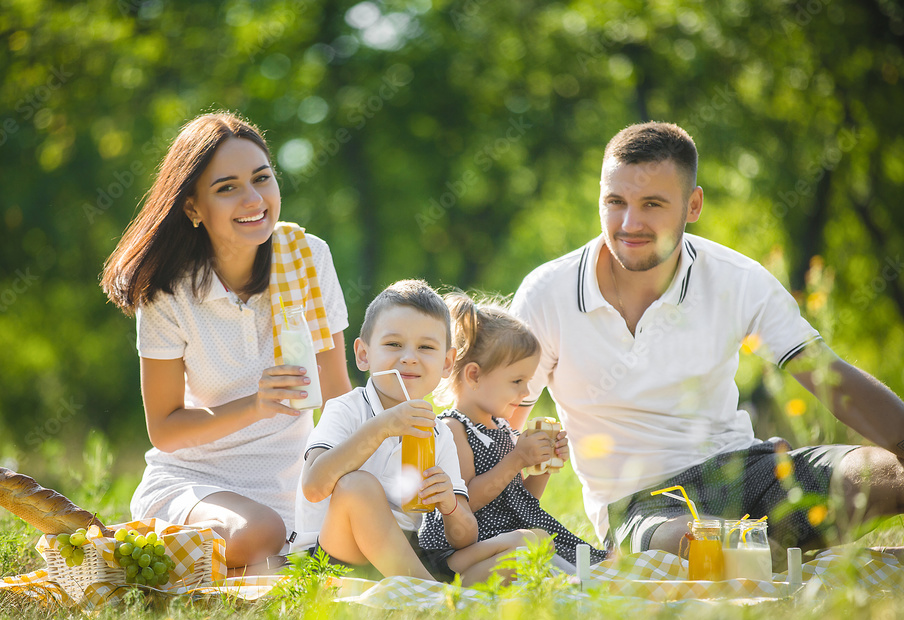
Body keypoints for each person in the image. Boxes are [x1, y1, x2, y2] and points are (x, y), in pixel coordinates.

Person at [511, 121, 904, 564]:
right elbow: (495, 422)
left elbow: (829, 378)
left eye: (652, 204)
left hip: (749, 470)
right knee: (714, 547)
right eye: (615, 202)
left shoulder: (737, 278)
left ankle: (778, 561)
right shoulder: (547, 293)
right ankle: (776, 562)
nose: (629, 223)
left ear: (693, 205)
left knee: (889, 476)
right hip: (642, 508)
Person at [101, 112, 352, 573]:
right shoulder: (168, 293)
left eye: (262, 178)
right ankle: (133, 543)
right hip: (196, 483)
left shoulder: (307, 258)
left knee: (361, 527)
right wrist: (256, 406)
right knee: (261, 535)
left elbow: (337, 393)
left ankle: (229, 562)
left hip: (296, 486)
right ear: (193, 208)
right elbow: (165, 429)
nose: (253, 199)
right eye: (227, 187)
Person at [294, 280, 547, 583]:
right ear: (363, 355)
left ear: (447, 363)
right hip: (336, 554)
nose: (409, 357)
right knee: (356, 486)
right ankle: (428, 594)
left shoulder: (438, 432)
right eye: (393, 344)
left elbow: (464, 537)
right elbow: (314, 487)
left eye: (425, 347)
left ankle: (429, 592)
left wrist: (450, 506)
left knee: (530, 542)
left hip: (408, 554)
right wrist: (381, 428)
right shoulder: (347, 409)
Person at [418, 291, 607, 571]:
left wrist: (542, 467)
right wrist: (517, 459)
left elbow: (518, 502)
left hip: (502, 535)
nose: (526, 391)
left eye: (528, 381)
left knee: (553, 545)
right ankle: (576, 578)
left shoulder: (501, 428)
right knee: (533, 544)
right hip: (463, 549)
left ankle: (582, 574)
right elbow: (468, 502)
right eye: (517, 381)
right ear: (474, 375)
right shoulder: (453, 429)